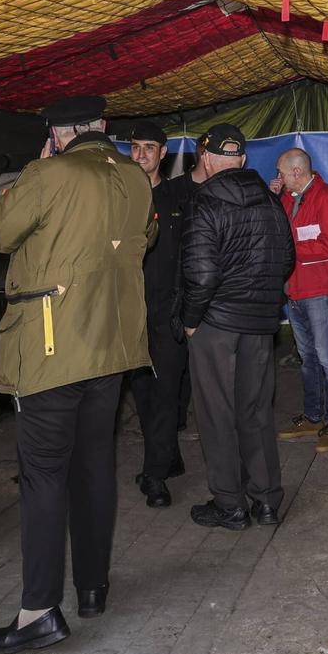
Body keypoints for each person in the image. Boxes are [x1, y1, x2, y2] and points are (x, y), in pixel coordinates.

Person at [0, 96, 152, 653]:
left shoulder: (48, 173)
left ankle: (39, 612)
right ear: (102, 128)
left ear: (57, 133)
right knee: (94, 467)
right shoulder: (136, 177)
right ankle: (92, 587)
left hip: (53, 351)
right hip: (112, 348)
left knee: (43, 477)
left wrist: (31, 170)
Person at [179, 123, 294, 530]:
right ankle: (266, 501)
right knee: (256, 411)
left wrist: (191, 320)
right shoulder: (269, 198)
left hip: (216, 321)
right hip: (260, 322)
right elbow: (287, 261)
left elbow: (202, 273)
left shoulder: (204, 200)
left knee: (216, 413)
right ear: (242, 160)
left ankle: (230, 504)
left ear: (205, 159)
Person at [127, 119, 194, 508]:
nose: (140, 155)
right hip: (130, 314)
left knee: (167, 393)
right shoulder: (117, 198)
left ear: (162, 153)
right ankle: (167, 455)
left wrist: (188, 311)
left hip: (168, 313)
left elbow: (191, 258)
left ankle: (155, 477)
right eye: (134, 147)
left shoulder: (178, 199)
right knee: (144, 394)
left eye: (148, 148)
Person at [272, 148, 328, 453]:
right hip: (295, 289)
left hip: (319, 289)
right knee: (307, 358)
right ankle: (314, 415)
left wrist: (290, 250)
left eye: (280, 172)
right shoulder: (286, 198)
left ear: (296, 172)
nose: (277, 177)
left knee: (327, 357)